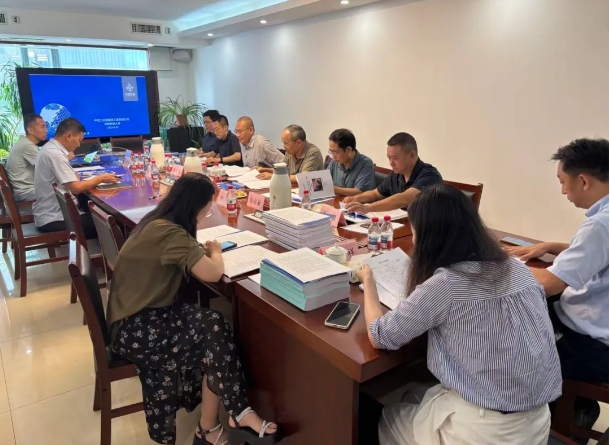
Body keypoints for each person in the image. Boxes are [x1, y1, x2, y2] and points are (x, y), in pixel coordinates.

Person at [357, 184, 562, 445]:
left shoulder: (446, 284)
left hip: (484, 432)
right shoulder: (517, 268)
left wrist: (369, 281)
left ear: (426, 236)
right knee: (414, 394)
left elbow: (380, 335)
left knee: (385, 415)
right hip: (537, 423)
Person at [106, 173, 280, 445]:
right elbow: (213, 273)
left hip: (132, 317)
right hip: (137, 329)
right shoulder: (171, 234)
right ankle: (229, 417)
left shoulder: (158, 221)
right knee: (214, 331)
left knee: (213, 326)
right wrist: (216, 251)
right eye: (206, 209)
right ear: (196, 207)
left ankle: (218, 423)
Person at [506, 138, 608, 429]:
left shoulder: (600, 225)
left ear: (583, 181)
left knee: (509, 343)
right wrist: (556, 246)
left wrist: (498, 265)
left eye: (563, 182)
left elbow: (548, 284)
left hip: (594, 346)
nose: (563, 191)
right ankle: (577, 404)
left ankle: (553, 416)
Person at [32, 118, 119, 237]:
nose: (79, 145)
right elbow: (76, 188)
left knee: (102, 214)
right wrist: (100, 178)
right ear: (68, 136)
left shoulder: (50, 148)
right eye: (79, 140)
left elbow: (74, 178)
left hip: (53, 214)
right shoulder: (55, 154)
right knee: (114, 225)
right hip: (55, 218)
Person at [344, 133, 442, 213]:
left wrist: (368, 208)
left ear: (412, 155)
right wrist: (356, 199)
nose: (391, 163)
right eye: (389, 158)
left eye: (395, 158)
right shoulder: (397, 174)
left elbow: (405, 198)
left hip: (427, 228)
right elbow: (375, 194)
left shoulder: (430, 175)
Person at [255, 125, 323, 181]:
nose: (284, 147)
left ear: (298, 142)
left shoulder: (313, 153)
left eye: (286, 143)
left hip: (310, 191)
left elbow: (303, 178)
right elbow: (282, 170)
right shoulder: (290, 151)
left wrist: (274, 176)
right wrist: (263, 169)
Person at [6, 114, 48, 202]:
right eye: (42, 127)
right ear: (30, 130)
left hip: (25, 190)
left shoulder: (24, 143)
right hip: (25, 192)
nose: (46, 131)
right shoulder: (27, 146)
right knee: (62, 192)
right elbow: (48, 168)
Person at [326, 128, 375, 196]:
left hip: (356, 202)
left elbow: (360, 192)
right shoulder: (335, 161)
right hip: (336, 200)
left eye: (335, 152)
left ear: (348, 150)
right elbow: (324, 181)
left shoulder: (365, 163)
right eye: (331, 152)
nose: (333, 156)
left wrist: (334, 189)